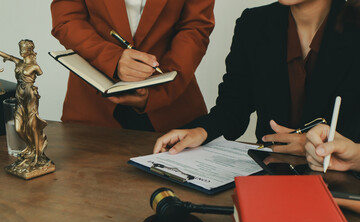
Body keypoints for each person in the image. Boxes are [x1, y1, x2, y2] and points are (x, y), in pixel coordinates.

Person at [154, 0, 360, 155]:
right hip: (269, 175)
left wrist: (314, 145)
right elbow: (234, 106)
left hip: (342, 183)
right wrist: (201, 131)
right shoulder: (254, 23)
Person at [50, 0, 215, 132]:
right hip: (93, 107)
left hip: (171, 108)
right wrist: (112, 59)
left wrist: (159, 91)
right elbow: (66, 19)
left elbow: (195, 28)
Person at [0, 40, 48, 166]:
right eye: (20, 47)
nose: (21, 50)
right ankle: (31, 146)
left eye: (24, 48)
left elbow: (40, 73)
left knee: (32, 126)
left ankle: (38, 155)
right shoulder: (19, 62)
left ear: (30, 50)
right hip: (19, 97)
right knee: (18, 127)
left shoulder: (35, 67)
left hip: (30, 96)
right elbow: (8, 56)